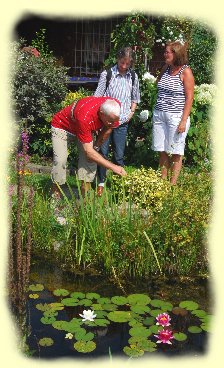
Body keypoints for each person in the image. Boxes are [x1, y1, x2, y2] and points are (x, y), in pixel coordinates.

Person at [51, 96, 127, 198]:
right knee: (60, 161)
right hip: (62, 127)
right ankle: (56, 196)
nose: (113, 123)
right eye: (110, 121)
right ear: (101, 113)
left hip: (84, 128)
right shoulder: (85, 116)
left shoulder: (113, 107)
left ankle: (84, 197)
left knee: (90, 161)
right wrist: (113, 167)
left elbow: (109, 128)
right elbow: (89, 152)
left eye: (114, 121)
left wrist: (96, 146)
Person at [94, 46, 140, 196]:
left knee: (119, 154)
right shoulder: (107, 74)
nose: (124, 66)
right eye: (122, 63)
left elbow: (135, 97)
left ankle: (118, 184)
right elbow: (97, 97)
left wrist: (131, 112)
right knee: (103, 151)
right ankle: (101, 182)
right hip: (106, 121)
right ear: (117, 59)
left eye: (127, 64)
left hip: (122, 122)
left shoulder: (133, 76)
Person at [152, 41, 194, 185]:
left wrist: (183, 121)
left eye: (167, 52)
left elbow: (189, 98)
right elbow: (158, 85)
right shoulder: (166, 68)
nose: (165, 54)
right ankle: (163, 182)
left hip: (176, 117)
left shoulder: (186, 72)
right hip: (160, 114)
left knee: (176, 150)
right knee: (161, 148)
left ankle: (172, 185)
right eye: (165, 52)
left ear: (176, 54)